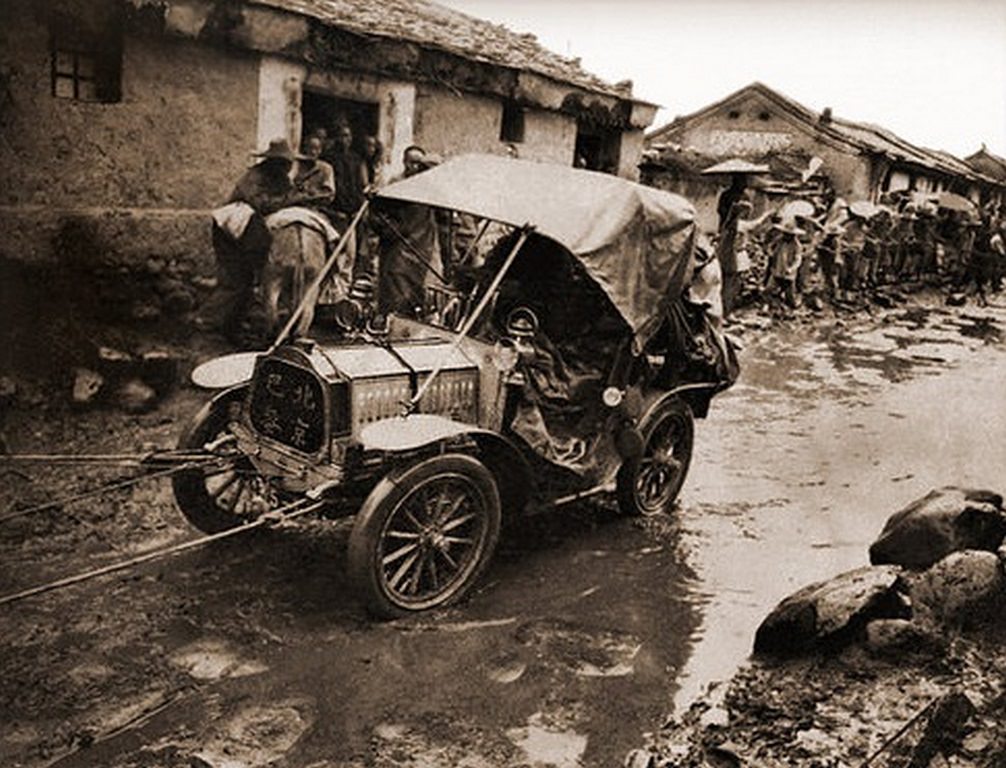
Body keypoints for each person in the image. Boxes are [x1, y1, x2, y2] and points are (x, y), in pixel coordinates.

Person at [207, 138, 302, 344]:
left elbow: (288, 197)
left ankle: (233, 328)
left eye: (288, 163)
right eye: (282, 162)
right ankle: (213, 324)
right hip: (231, 228)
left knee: (247, 282)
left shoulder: (283, 179)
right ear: (272, 161)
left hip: (250, 231)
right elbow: (260, 202)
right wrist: (288, 200)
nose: (287, 167)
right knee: (237, 282)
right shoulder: (255, 176)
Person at [374, 146, 450, 316]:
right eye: (412, 163)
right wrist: (389, 231)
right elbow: (379, 213)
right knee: (395, 294)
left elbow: (445, 222)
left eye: (419, 165)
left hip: (422, 249)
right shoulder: (396, 185)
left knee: (418, 296)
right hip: (398, 250)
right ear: (404, 162)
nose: (414, 168)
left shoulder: (432, 191)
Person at [293, 133, 335, 208]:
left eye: (316, 149)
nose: (313, 152)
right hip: (296, 205)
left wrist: (313, 193)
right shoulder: (296, 166)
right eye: (310, 148)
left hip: (317, 207)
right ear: (305, 148)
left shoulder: (326, 168)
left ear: (320, 151)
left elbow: (329, 194)